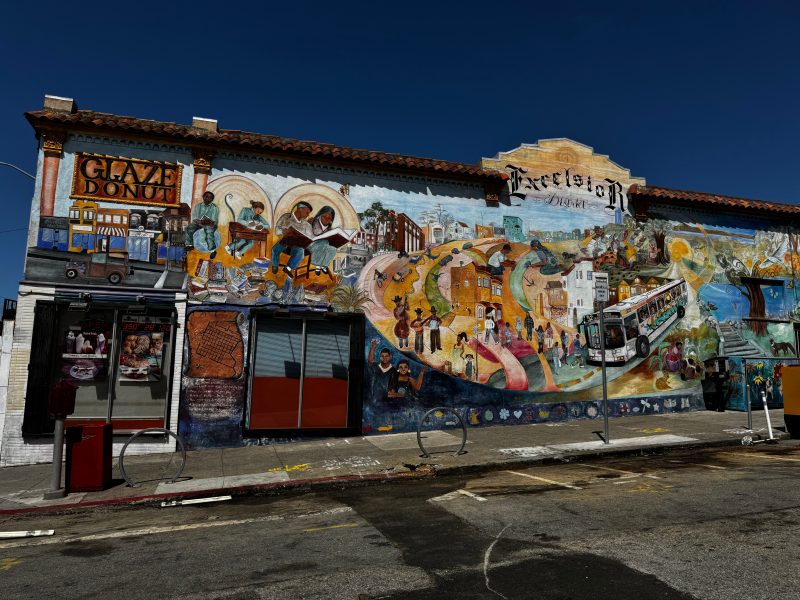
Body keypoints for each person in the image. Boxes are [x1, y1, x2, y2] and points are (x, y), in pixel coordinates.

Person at [271, 201, 313, 276]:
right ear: (300, 209)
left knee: (301, 253)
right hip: (286, 242)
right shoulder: (286, 217)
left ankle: (288, 268)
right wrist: (283, 231)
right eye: (307, 212)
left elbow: (310, 237)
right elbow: (277, 230)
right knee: (275, 249)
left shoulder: (306, 224)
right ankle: (275, 265)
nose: (308, 215)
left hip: (297, 246)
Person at [186, 191, 219, 257]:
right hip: (199, 223)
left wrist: (203, 222)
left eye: (210, 197)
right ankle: (189, 245)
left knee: (209, 231)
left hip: (210, 224)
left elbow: (212, 221)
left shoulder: (214, 208)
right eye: (206, 196)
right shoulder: (198, 206)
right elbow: (195, 218)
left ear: (212, 199)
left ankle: (212, 250)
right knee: (190, 227)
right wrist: (200, 222)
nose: (208, 198)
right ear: (203, 197)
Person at [306, 206, 337, 275]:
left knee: (333, 249)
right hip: (310, 244)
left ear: (331, 219)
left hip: (323, 245)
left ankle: (324, 265)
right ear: (320, 215)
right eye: (324, 216)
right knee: (323, 243)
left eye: (329, 218)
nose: (326, 219)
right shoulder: (312, 221)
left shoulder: (330, 228)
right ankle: (317, 266)